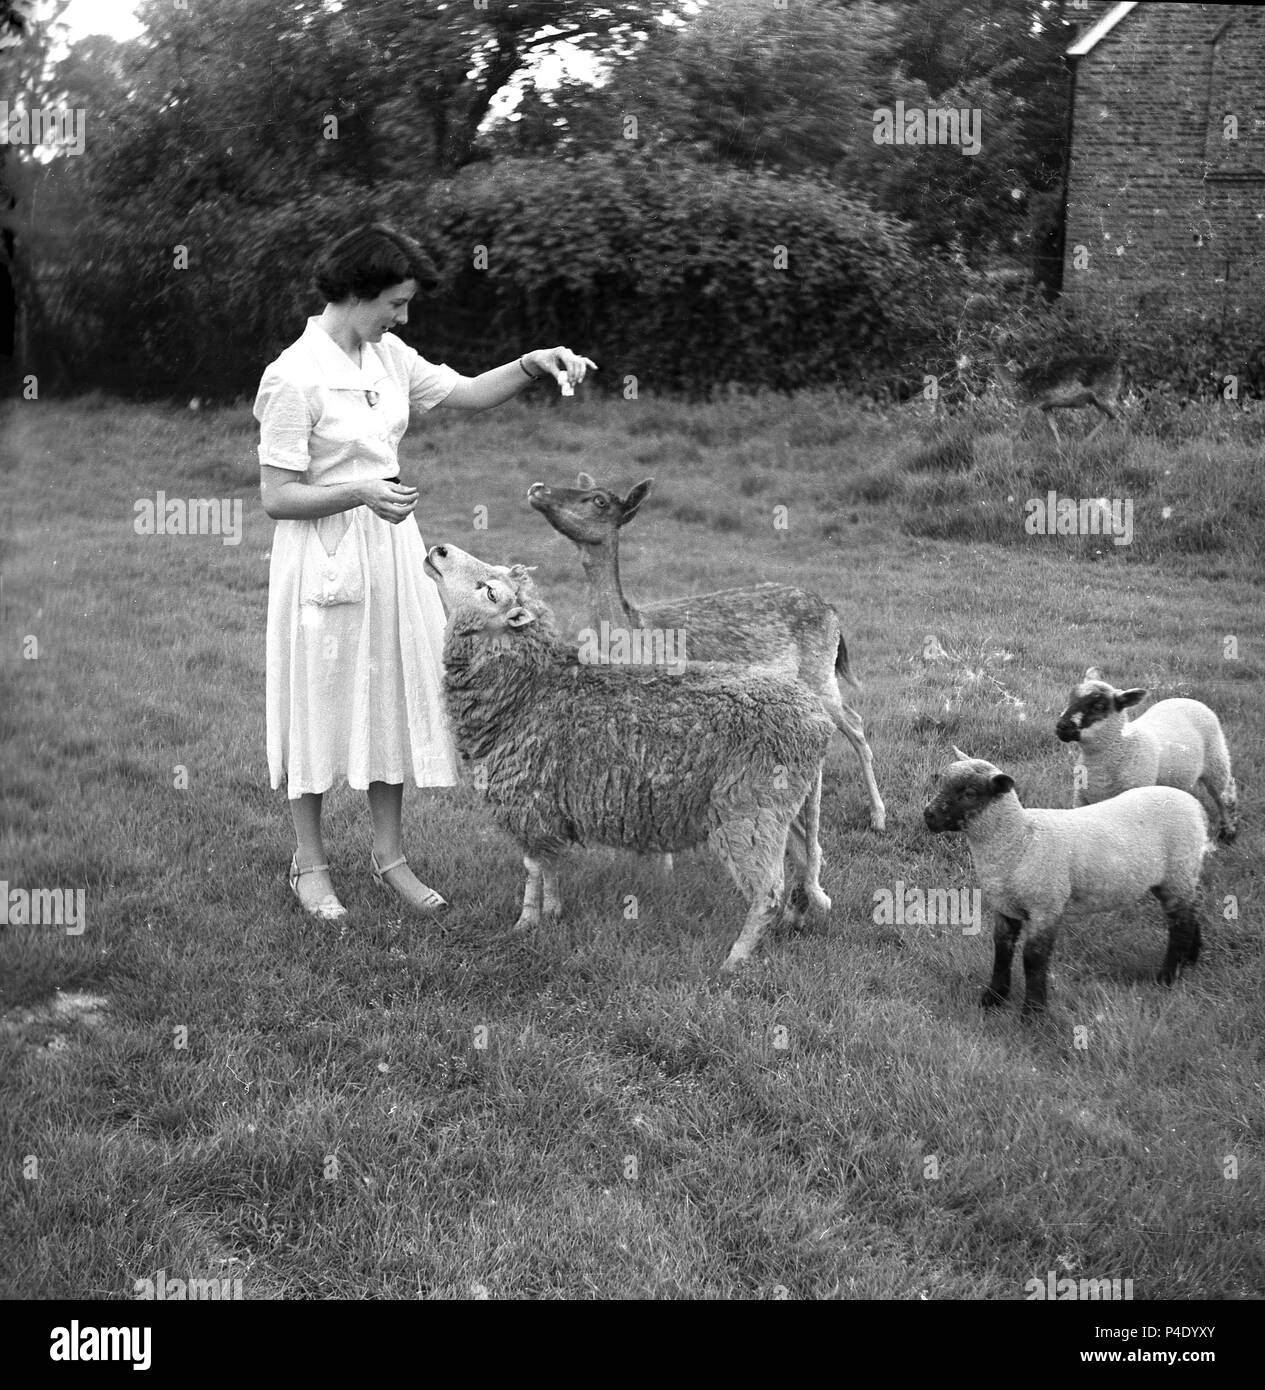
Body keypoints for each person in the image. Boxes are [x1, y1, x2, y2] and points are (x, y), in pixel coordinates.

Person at [255, 222, 595, 923]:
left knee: (388, 698)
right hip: (323, 550)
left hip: (390, 547)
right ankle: (309, 864)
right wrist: (358, 492)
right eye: (397, 303)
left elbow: (465, 391)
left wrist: (533, 363)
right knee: (318, 698)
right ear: (357, 292)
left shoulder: (387, 355)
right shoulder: (293, 376)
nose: (403, 317)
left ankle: (390, 859)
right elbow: (275, 495)